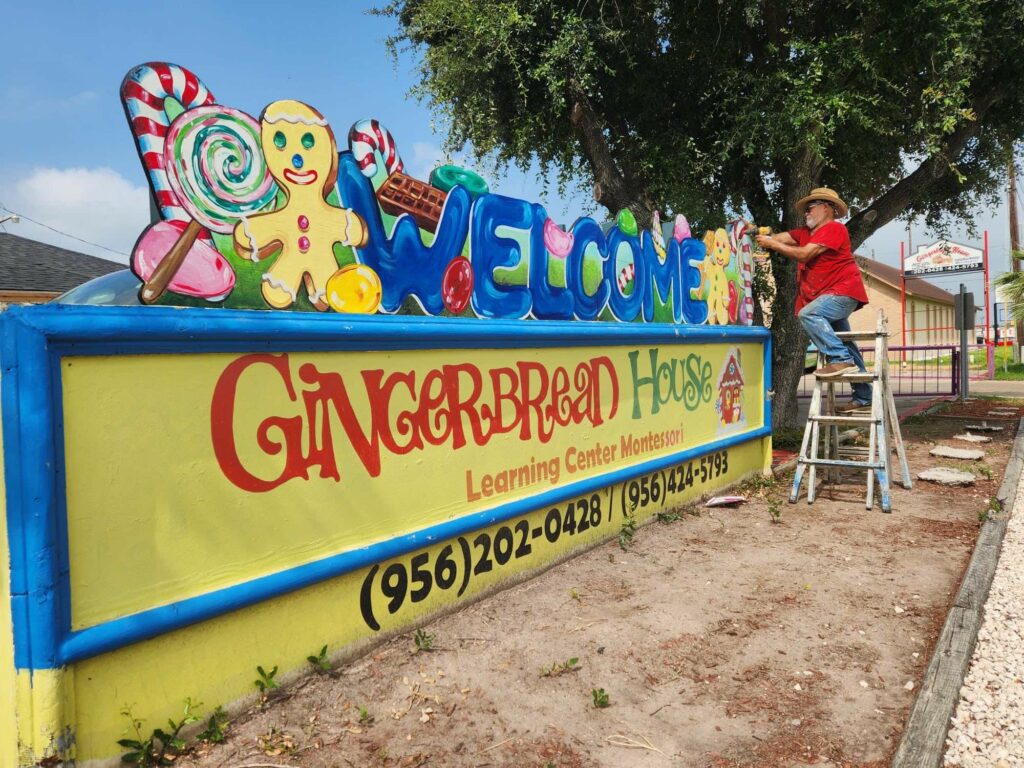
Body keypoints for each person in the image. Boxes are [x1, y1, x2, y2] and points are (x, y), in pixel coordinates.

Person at [754, 187, 871, 413]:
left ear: (826, 208)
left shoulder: (834, 229)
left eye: (810, 208)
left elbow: (804, 254)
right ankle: (864, 396)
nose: (806, 212)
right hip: (827, 295)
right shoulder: (804, 233)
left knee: (809, 314)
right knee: (845, 341)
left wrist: (772, 245)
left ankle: (839, 359)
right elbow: (778, 238)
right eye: (805, 209)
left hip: (842, 292)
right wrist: (756, 236)